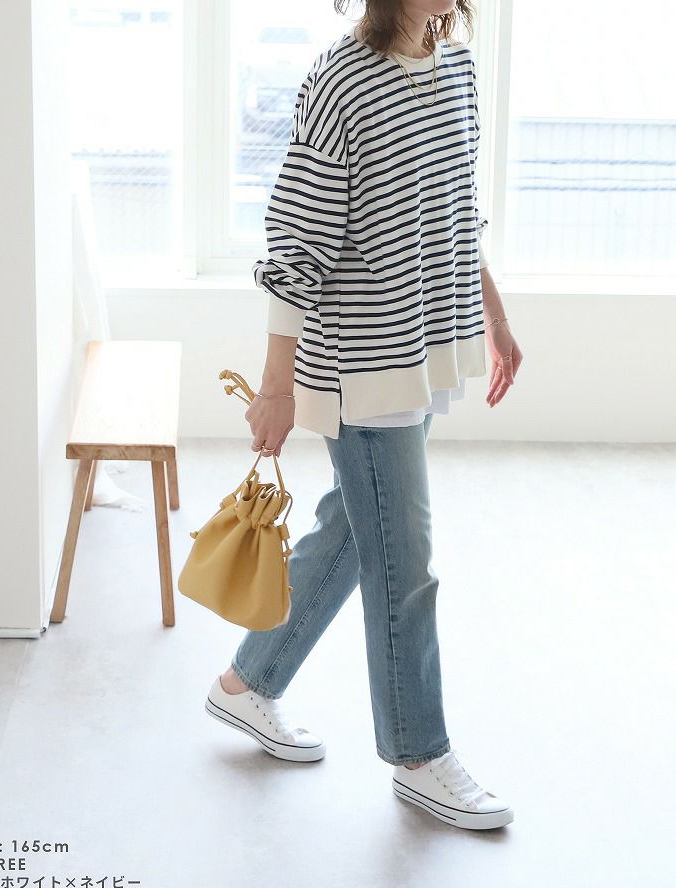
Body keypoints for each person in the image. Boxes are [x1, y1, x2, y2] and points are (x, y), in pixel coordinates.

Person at [204, 0, 522, 831]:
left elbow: (456, 208)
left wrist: (492, 313)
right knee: (404, 562)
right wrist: (277, 386)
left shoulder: (456, 66)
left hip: (427, 341)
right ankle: (419, 755)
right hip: (362, 360)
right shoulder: (341, 79)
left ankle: (247, 682)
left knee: (359, 525)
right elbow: (296, 244)